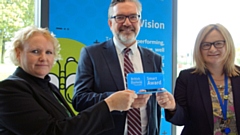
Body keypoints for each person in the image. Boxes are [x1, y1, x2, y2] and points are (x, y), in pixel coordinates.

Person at [0, 26, 138, 135]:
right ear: (18, 54)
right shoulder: (8, 90)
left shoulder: (48, 87)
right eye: (35, 51)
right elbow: (52, 132)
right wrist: (109, 104)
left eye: (49, 52)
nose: (43, 58)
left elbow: (69, 124)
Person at [72, 0, 162, 135]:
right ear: (110, 23)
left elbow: (154, 108)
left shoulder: (154, 58)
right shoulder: (92, 54)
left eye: (133, 17)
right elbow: (79, 100)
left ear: (140, 22)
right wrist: (114, 100)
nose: (127, 23)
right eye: (120, 17)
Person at [157, 23, 240, 134]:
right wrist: (173, 107)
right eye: (206, 45)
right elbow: (182, 119)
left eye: (218, 44)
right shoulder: (187, 78)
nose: (212, 49)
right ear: (199, 49)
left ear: (228, 45)